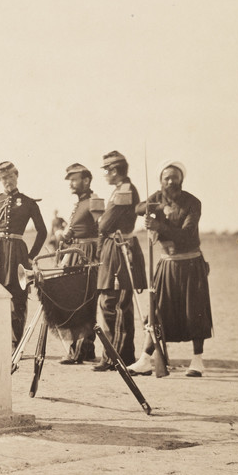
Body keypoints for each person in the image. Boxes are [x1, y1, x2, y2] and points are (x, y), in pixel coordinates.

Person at [129, 161, 213, 377]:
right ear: (160, 180)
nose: (170, 181)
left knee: (194, 312)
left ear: (181, 180)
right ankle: (145, 359)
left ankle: (197, 361)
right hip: (166, 264)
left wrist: (159, 226)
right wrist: (153, 209)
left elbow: (186, 234)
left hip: (191, 264)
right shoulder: (157, 197)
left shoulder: (193, 203)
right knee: (157, 310)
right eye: (166, 177)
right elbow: (138, 208)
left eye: (174, 177)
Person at [94, 151, 146, 370]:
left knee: (117, 304)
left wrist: (100, 222)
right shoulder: (120, 189)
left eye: (106, 170)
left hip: (120, 250)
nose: (105, 174)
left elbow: (104, 225)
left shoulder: (124, 190)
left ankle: (118, 356)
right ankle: (114, 354)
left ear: (115, 170)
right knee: (109, 302)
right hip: (113, 249)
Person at [0, 161, 47, 346]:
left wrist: (30, 256)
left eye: (11, 176)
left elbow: (42, 231)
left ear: (17, 175)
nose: (8, 181)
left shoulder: (28, 203)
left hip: (17, 254)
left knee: (18, 298)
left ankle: (16, 342)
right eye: (3, 178)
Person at [58, 163, 101, 364]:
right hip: (74, 254)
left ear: (86, 180)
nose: (71, 184)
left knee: (85, 302)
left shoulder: (94, 201)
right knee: (74, 301)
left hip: (87, 256)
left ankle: (81, 351)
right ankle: (83, 350)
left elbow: (103, 230)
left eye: (74, 180)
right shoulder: (79, 203)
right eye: (70, 180)